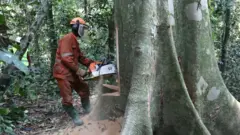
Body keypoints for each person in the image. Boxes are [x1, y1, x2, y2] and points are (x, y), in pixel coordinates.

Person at [53, 17, 99, 126]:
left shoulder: (74, 40)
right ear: (76, 27)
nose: (84, 31)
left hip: (72, 73)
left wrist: (92, 63)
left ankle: (87, 108)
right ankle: (74, 116)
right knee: (67, 99)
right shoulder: (67, 39)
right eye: (83, 28)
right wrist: (79, 70)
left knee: (84, 88)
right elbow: (65, 58)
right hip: (63, 74)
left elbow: (80, 57)